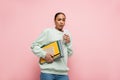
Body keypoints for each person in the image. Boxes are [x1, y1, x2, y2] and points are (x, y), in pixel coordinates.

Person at [31, 12, 73, 80]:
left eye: (63, 20)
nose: (61, 22)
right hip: (48, 73)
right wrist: (44, 55)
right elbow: (34, 46)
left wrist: (68, 43)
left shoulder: (67, 34)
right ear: (54, 21)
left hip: (63, 74)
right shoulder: (48, 32)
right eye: (59, 20)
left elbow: (70, 54)